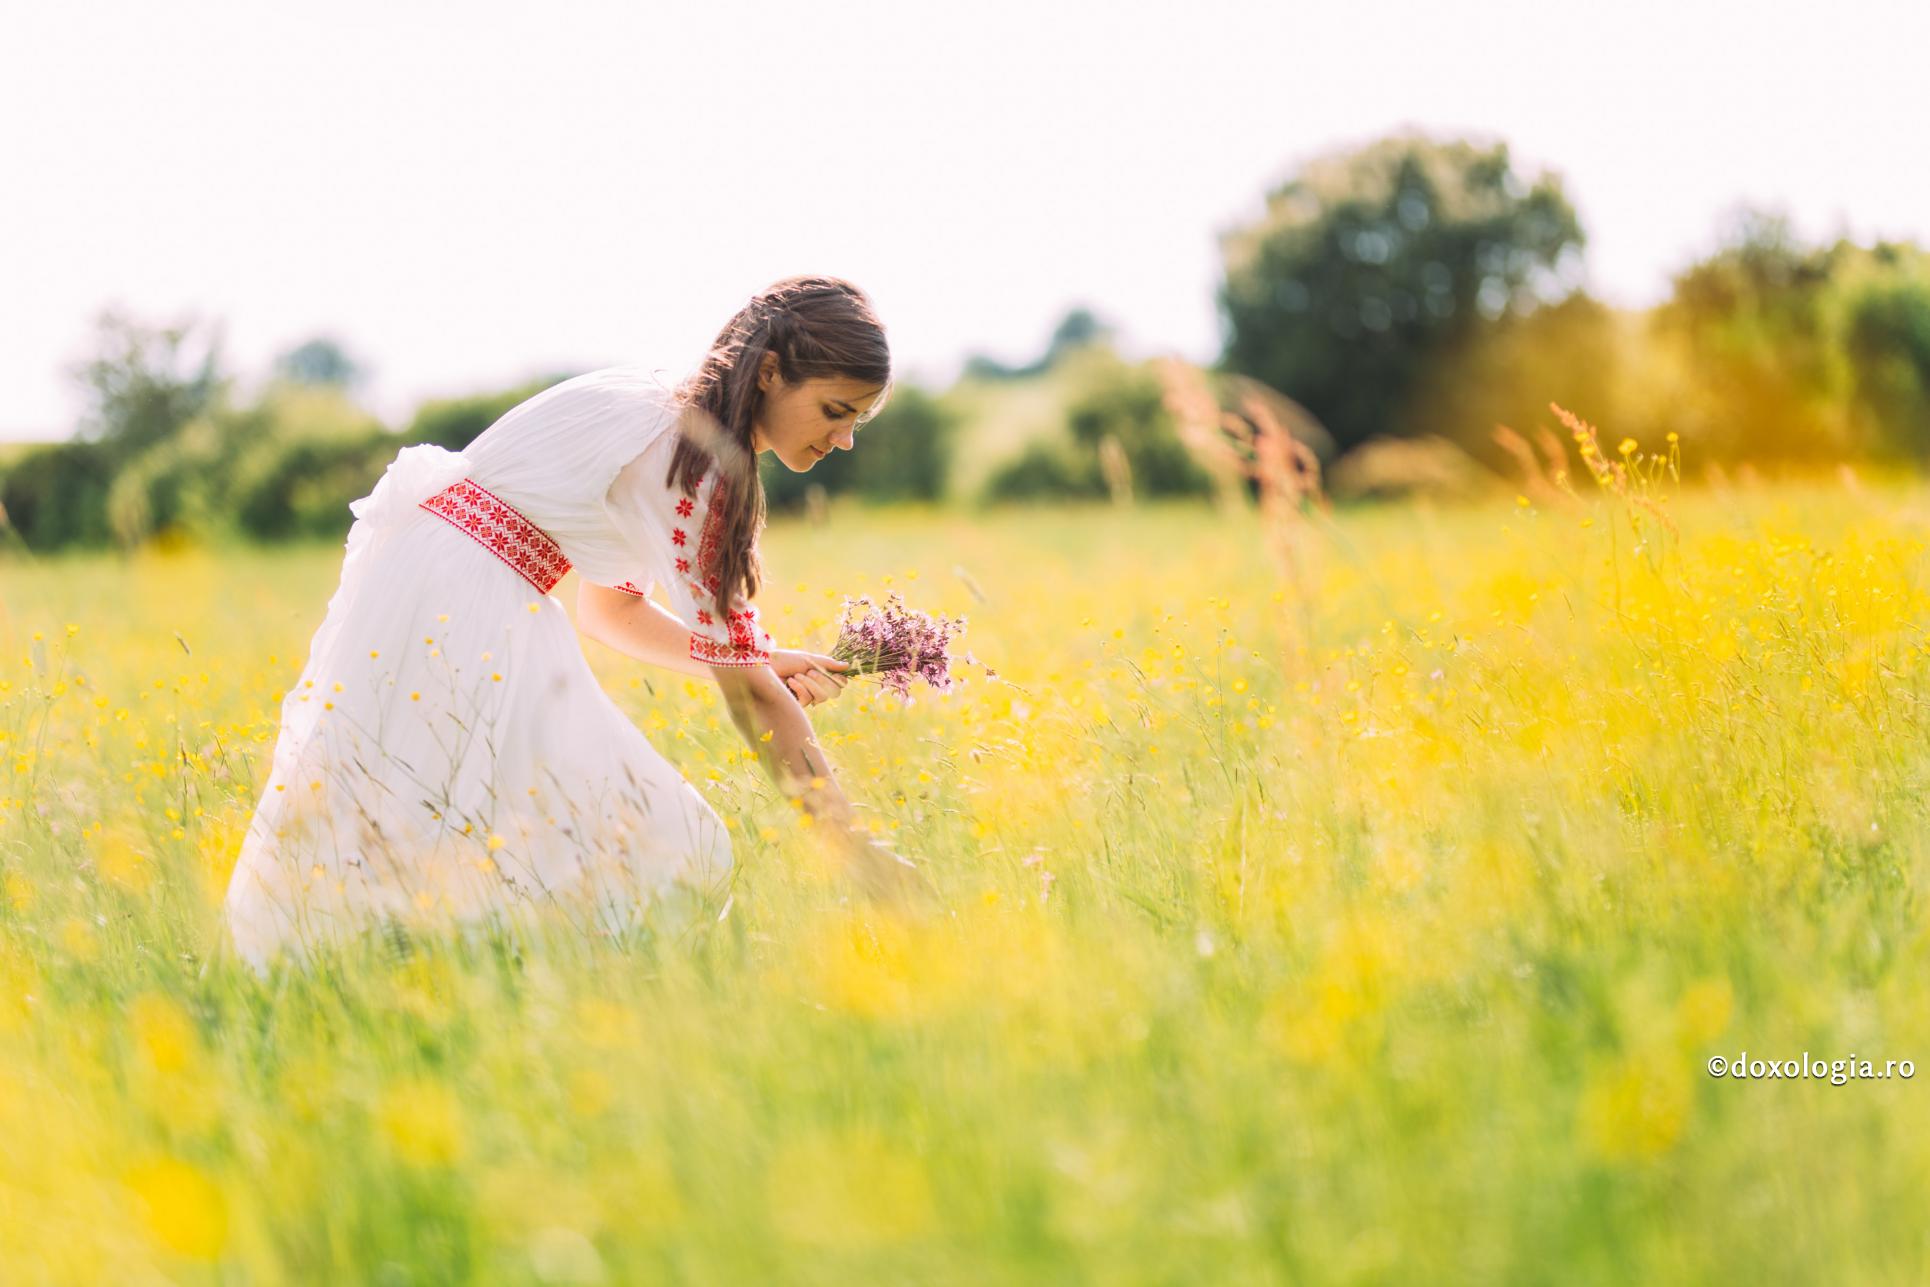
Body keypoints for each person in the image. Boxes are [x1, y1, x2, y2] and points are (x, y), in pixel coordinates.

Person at [224, 275, 925, 974]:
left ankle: (420, 991)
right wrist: (853, 848)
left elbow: (609, 611)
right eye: (836, 410)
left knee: (434, 835)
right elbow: (752, 698)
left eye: (857, 421)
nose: (846, 440)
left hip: (439, 579)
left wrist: (756, 660)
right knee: (666, 842)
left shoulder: (661, 410)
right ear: (770, 373)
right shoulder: (697, 462)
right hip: (468, 600)